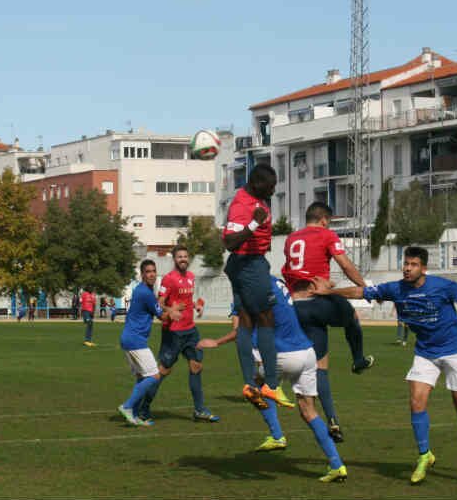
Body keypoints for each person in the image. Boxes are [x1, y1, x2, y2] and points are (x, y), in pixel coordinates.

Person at [312, 246, 457, 484]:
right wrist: (328, 293)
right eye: (406, 263)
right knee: (416, 402)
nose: (407, 268)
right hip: (426, 352)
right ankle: (425, 456)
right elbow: (360, 291)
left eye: (413, 264)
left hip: (455, 350)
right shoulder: (395, 289)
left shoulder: (442, 286)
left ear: (423, 268)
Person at [198, 276, 348, 483]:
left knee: (251, 387)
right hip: (307, 353)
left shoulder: (250, 288)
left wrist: (216, 341)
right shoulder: (276, 281)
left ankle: (275, 409)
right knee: (308, 411)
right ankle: (337, 465)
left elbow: (242, 330)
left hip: (285, 355)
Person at [281, 201, 375, 442]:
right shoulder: (327, 234)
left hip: (297, 306)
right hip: (318, 301)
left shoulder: (291, 239)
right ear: (324, 220)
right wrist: (364, 287)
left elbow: (290, 271)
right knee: (352, 316)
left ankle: (332, 421)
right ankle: (358, 360)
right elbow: (344, 264)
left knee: (320, 365)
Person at [222, 163, 279, 408]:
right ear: (257, 184)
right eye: (270, 186)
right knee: (266, 317)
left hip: (249, 263)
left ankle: (250, 384)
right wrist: (254, 225)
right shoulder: (241, 205)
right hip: (248, 265)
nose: (273, 191)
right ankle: (272, 385)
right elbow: (230, 242)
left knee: (245, 320)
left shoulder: (255, 199)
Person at [149, 245, 219, 423]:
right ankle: (143, 407)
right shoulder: (168, 279)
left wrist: (197, 305)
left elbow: (188, 299)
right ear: (174, 259)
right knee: (163, 370)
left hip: (190, 330)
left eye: (185, 256)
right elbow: (159, 303)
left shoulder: (191, 277)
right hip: (173, 332)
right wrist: (170, 309)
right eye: (179, 257)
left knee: (196, 366)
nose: (183, 259)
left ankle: (199, 410)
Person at [118, 260, 183, 426]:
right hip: (135, 340)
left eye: (154, 271)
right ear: (142, 274)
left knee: (141, 378)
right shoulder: (145, 293)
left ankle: (134, 414)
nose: (152, 274)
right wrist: (174, 311)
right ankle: (127, 406)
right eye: (148, 271)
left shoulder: (144, 291)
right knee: (154, 376)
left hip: (129, 338)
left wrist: (171, 310)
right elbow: (162, 316)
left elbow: (159, 309)